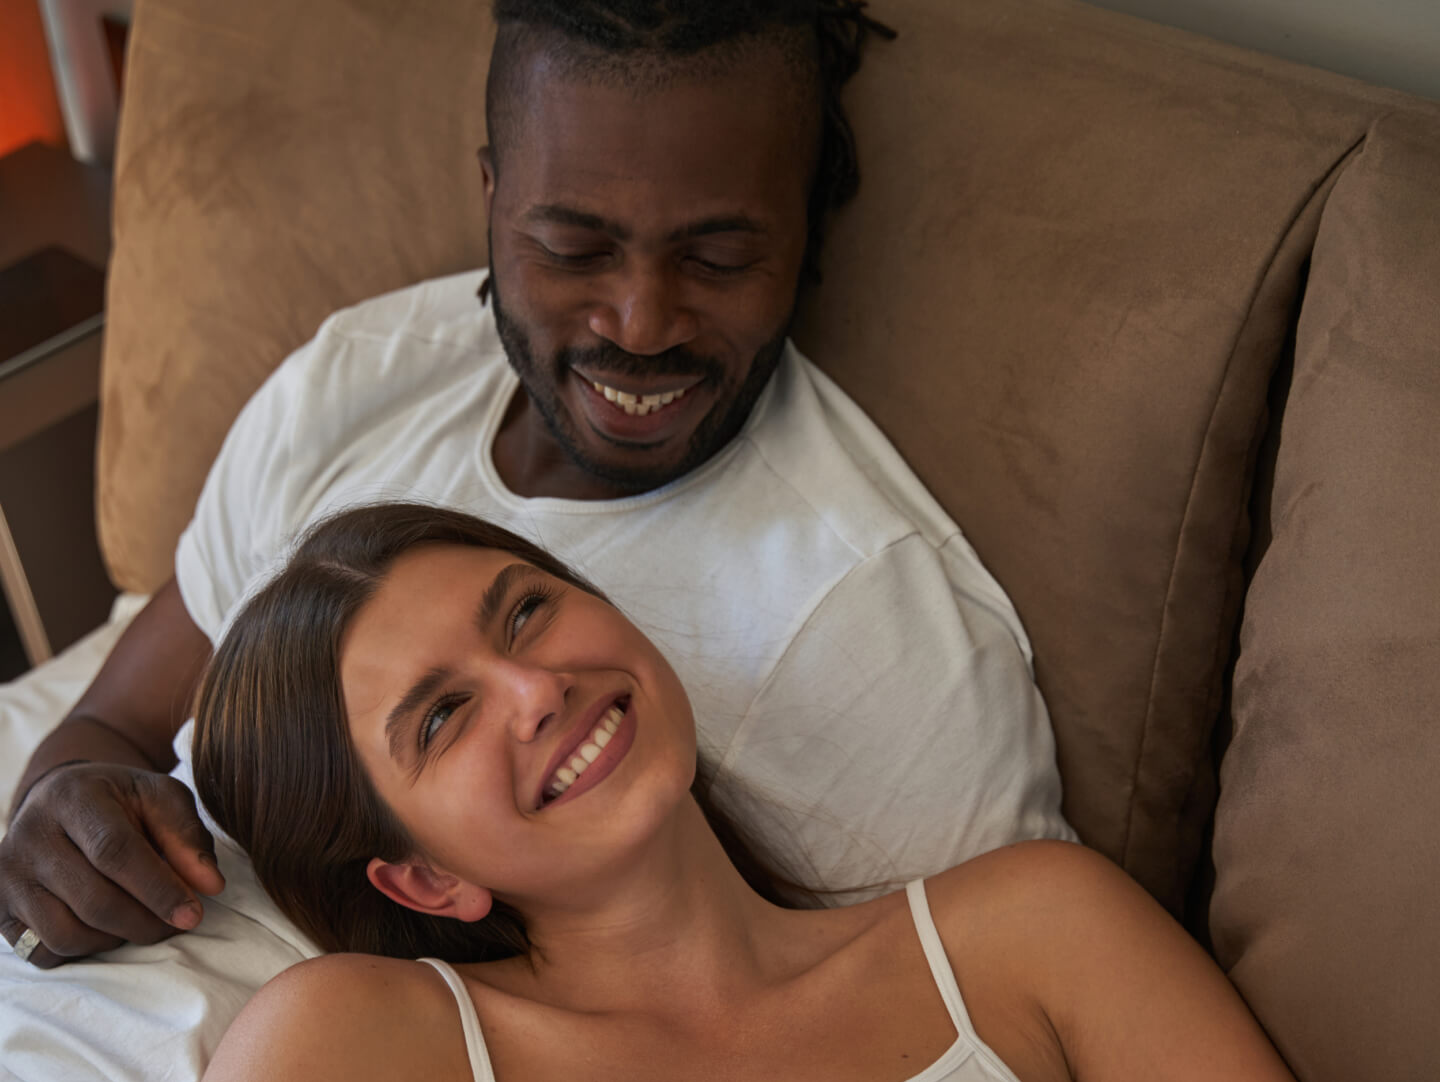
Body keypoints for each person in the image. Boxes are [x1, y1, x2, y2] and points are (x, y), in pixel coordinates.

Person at [3, 0, 1072, 976]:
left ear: (807, 229)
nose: (639, 322)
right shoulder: (361, 378)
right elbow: (111, 719)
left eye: (716, 257)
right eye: (573, 247)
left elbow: (982, 1009)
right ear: (492, 197)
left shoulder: (887, 648)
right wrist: (67, 812)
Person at [194, 503, 1294, 1082]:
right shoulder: (358, 1039)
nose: (537, 689)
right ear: (426, 878)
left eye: (525, 613)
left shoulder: (1035, 932)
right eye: (442, 717)